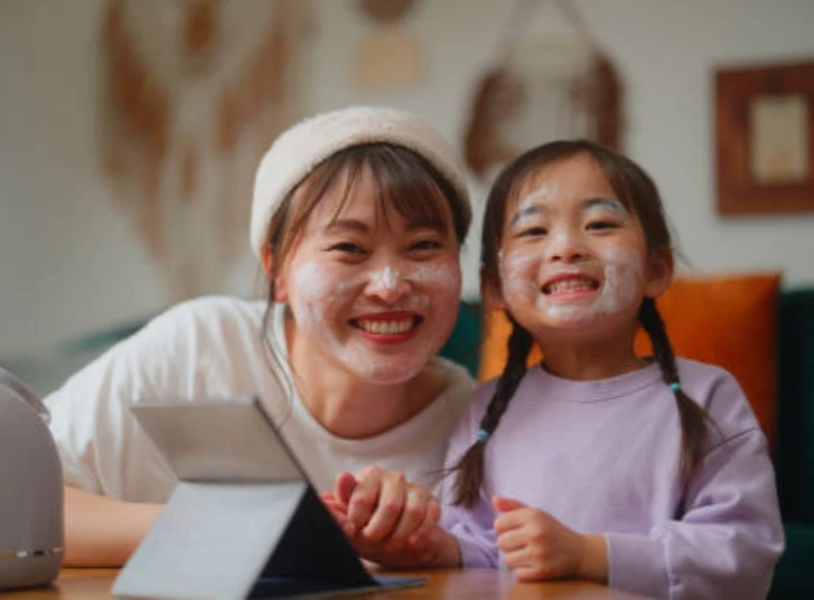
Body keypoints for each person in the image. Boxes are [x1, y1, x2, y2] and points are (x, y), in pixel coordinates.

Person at [326, 140, 784, 598]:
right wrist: (417, 548)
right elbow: (480, 550)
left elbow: (743, 553)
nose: (566, 246)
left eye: (600, 224)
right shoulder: (487, 410)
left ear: (657, 269)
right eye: (533, 232)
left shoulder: (708, 397)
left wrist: (589, 555)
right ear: (494, 288)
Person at [43, 106, 477, 567]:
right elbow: (1, 504)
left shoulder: (478, 426)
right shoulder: (200, 348)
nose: (390, 285)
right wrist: (238, 529)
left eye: (424, 246)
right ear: (277, 269)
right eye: (349, 248)